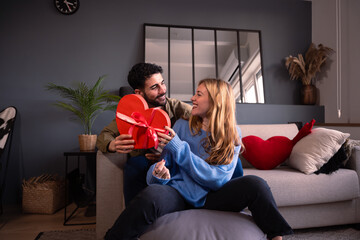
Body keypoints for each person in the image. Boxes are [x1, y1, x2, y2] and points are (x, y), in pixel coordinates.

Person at [104, 79, 293, 240]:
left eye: (199, 94)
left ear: (215, 101)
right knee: (151, 193)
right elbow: (158, 175)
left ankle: (276, 236)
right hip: (178, 193)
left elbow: (218, 179)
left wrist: (180, 148)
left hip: (215, 195)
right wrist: (159, 174)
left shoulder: (232, 134)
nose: (192, 98)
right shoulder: (180, 126)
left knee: (256, 184)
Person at [96, 62, 192, 206]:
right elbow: (105, 135)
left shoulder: (176, 107)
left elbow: (207, 118)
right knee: (134, 165)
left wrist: (169, 154)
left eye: (162, 83)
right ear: (139, 92)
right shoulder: (130, 113)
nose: (162, 90)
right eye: (155, 87)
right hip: (143, 161)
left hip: (174, 160)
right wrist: (112, 144)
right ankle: (134, 217)